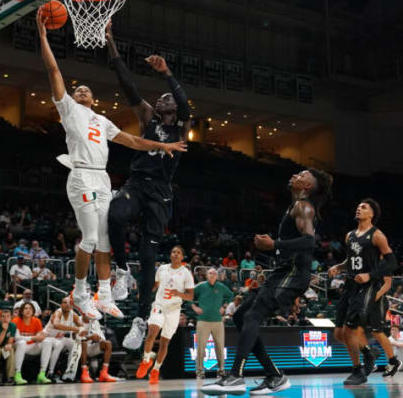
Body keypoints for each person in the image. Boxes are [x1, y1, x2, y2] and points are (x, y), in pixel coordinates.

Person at [37, 10, 186, 322]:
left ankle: (105, 294)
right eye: (78, 90)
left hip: (114, 182)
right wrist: (43, 36)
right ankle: (82, 291)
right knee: (93, 237)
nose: (82, 91)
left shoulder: (102, 120)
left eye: (86, 90)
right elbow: (55, 73)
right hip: (86, 176)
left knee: (107, 240)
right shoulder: (68, 109)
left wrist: (163, 145)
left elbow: (132, 142)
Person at [203, 169, 332, 394]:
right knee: (241, 315)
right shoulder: (295, 206)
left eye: (302, 175)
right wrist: (275, 250)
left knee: (253, 316)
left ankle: (235, 376)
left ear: (307, 187)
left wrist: (275, 245)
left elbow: (309, 242)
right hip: (282, 272)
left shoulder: (304, 206)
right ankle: (274, 375)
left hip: (292, 274)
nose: (296, 175)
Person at [103, 20, 191, 348]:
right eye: (163, 96)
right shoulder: (148, 119)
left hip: (161, 193)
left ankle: (141, 319)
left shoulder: (182, 127)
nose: (166, 98)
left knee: (150, 255)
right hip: (138, 183)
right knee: (114, 215)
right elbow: (127, 85)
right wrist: (111, 42)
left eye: (169, 97)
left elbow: (185, 105)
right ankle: (122, 270)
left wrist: (167, 72)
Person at [329, 199, 401, 385]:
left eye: (364, 207)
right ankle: (370, 354)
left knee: (350, 329)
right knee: (338, 334)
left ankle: (357, 371)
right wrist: (339, 266)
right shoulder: (349, 236)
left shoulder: (377, 235)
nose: (358, 208)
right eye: (358, 206)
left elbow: (392, 263)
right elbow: (350, 261)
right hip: (351, 285)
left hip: (368, 286)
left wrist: (370, 275)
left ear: (372, 214)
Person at [136, 246, 195, 385]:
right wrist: (144, 293)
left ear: (182, 257)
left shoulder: (186, 273)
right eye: (173, 252)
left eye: (178, 252)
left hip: (174, 310)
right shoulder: (162, 268)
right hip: (159, 305)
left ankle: (156, 370)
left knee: (164, 342)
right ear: (170, 255)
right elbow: (155, 285)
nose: (175, 254)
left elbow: (191, 296)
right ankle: (145, 361)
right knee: (151, 333)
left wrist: (178, 293)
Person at [192, 268, 233, 379]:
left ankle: (221, 371)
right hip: (203, 321)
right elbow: (188, 294)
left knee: (220, 347)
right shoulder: (201, 286)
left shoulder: (221, 287)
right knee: (200, 348)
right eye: (210, 273)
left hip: (218, 321)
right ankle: (199, 372)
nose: (212, 275)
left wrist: (224, 306)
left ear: (217, 276)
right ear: (206, 275)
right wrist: (194, 306)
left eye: (214, 273)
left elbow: (230, 295)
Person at [43, 297, 85, 382]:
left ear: (72, 306)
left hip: (60, 338)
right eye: (65, 302)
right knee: (60, 344)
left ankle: (69, 373)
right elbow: (56, 325)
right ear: (61, 305)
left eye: (69, 303)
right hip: (48, 337)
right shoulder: (58, 313)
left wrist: (81, 330)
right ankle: (50, 372)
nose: (67, 304)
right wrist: (74, 329)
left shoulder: (73, 314)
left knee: (75, 345)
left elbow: (81, 326)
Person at [12, 302, 54, 384]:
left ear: (33, 311)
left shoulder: (36, 321)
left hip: (31, 346)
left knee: (48, 342)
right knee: (22, 342)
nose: (28, 310)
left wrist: (40, 337)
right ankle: (17, 374)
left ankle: (42, 374)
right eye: (26, 308)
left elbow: (40, 336)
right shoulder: (16, 320)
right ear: (22, 311)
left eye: (30, 309)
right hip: (18, 346)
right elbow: (17, 337)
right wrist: (34, 337)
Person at [81, 317, 117, 383]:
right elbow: (75, 338)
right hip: (79, 348)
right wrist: (89, 338)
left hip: (92, 347)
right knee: (84, 343)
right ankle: (84, 373)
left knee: (107, 343)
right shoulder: (77, 319)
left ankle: (104, 373)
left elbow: (102, 338)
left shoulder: (95, 321)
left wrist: (98, 338)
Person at [0, 309, 17, 386]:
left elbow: (10, 341)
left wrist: (8, 345)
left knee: (10, 349)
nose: (5, 319)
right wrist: (4, 330)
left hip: (3, 347)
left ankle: (10, 377)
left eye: (8, 317)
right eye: (3, 317)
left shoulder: (13, 325)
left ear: (11, 317)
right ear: (0, 318)